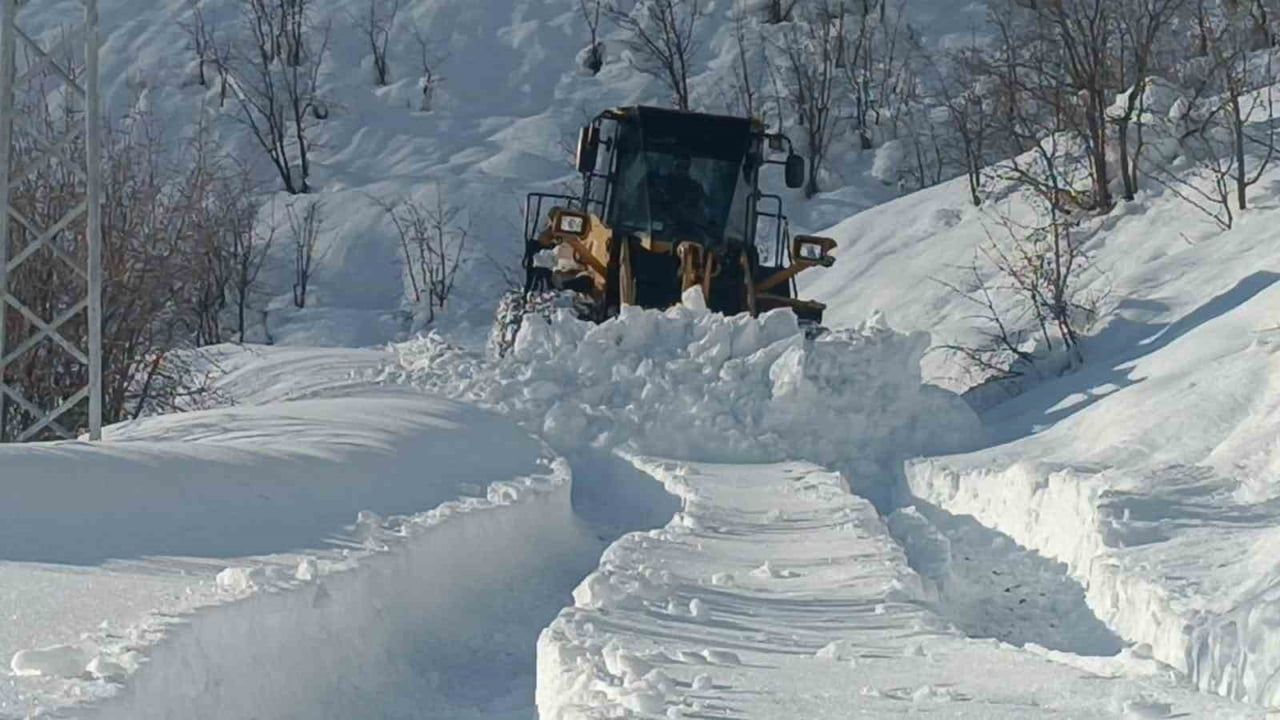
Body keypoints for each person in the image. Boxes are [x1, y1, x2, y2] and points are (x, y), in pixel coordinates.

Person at [654, 153, 708, 238]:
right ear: (672, 166)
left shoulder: (695, 188)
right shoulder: (659, 184)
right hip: (658, 229)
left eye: (685, 168)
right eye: (678, 166)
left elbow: (700, 213)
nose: (681, 171)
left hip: (686, 233)